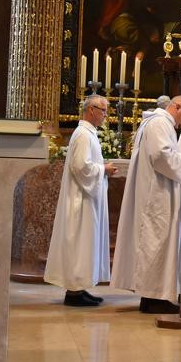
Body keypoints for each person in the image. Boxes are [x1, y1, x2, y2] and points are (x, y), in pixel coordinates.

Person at [111, 95, 181, 314]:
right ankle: (154, 298)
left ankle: (151, 296)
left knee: (155, 243)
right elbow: (161, 156)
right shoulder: (160, 123)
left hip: (156, 190)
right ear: (177, 107)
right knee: (156, 243)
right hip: (157, 194)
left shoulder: (155, 122)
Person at [44, 94, 117, 307]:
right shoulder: (84, 135)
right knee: (79, 244)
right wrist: (104, 169)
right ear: (91, 110)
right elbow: (80, 166)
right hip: (81, 199)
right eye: (103, 110)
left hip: (86, 197)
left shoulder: (87, 133)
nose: (105, 115)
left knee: (84, 244)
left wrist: (102, 169)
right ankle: (74, 293)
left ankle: (79, 289)